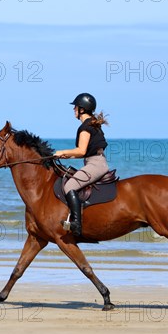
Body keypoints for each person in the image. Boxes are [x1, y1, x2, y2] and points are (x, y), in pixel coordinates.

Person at [53, 93, 109, 236]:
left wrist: (61, 151)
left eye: (75, 107)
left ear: (82, 109)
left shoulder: (85, 127)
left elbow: (81, 150)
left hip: (95, 165)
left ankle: (76, 224)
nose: (74, 110)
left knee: (69, 186)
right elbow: (84, 153)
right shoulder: (92, 123)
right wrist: (65, 156)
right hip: (96, 161)